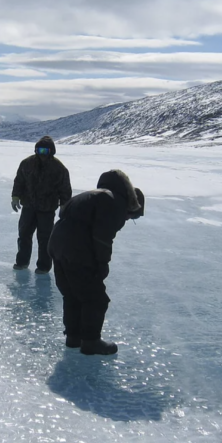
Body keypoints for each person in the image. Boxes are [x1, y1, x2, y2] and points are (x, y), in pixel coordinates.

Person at [48, 170, 145, 355]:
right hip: (76, 250)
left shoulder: (90, 196)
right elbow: (102, 237)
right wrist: (101, 265)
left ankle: (73, 338)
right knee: (96, 299)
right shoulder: (115, 201)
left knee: (72, 296)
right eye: (132, 216)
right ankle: (91, 341)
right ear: (131, 204)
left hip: (57, 247)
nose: (127, 219)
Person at [11, 136, 72, 274]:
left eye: (45, 150)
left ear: (51, 151)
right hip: (28, 206)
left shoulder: (59, 168)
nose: (42, 153)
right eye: (39, 150)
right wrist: (15, 196)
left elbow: (65, 188)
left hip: (47, 208)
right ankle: (22, 262)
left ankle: (44, 266)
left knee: (45, 239)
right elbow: (19, 181)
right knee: (24, 235)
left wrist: (64, 205)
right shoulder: (26, 163)